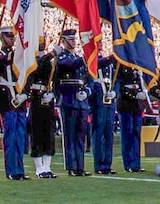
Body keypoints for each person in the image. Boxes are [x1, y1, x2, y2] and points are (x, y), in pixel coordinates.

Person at [0, 25, 28, 180]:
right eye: (8, 37)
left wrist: (25, 94)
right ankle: (11, 170)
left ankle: (19, 169)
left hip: (19, 97)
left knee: (20, 136)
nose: (11, 39)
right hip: (7, 98)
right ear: (2, 38)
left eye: (13, 37)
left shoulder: (18, 54)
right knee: (10, 136)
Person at [55, 29, 90, 176]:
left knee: (80, 135)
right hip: (68, 99)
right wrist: (87, 54)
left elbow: (87, 75)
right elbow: (69, 66)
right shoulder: (62, 56)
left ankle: (80, 166)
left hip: (80, 100)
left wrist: (86, 91)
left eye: (74, 39)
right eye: (70, 39)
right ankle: (71, 166)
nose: (74, 42)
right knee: (70, 135)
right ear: (63, 41)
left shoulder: (76, 56)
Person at [26, 36, 58, 179]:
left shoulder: (48, 60)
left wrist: (52, 93)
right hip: (35, 96)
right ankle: (39, 167)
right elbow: (35, 68)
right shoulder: (31, 58)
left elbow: (54, 79)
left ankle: (47, 166)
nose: (42, 41)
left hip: (47, 95)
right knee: (37, 131)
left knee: (48, 132)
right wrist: (51, 54)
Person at [115, 62, 147, 173]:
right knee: (127, 135)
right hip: (125, 104)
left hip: (136, 105)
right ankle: (128, 163)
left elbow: (140, 84)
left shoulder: (138, 66)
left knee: (136, 134)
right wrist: (134, 95)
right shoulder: (121, 65)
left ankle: (136, 163)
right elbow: (119, 86)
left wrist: (141, 93)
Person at [91, 54, 118, 175]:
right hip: (98, 100)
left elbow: (116, 80)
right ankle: (99, 164)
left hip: (109, 101)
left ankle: (107, 163)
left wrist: (115, 92)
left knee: (109, 134)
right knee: (98, 133)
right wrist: (111, 57)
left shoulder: (110, 64)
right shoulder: (94, 59)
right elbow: (98, 63)